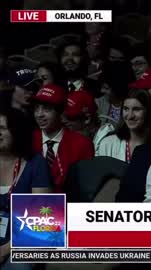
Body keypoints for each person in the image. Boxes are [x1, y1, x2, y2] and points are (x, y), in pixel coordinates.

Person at [0, 108, 52, 270]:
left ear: (17, 132)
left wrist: (4, 250)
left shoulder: (37, 164)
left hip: (24, 240)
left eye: (1, 129)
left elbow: (42, 222)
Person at [31, 84, 94, 192]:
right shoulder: (28, 140)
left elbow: (85, 188)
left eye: (46, 109)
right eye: (37, 108)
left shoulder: (82, 144)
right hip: (30, 205)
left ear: (61, 112)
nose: (39, 114)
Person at [97, 89, 151, 163]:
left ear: (148, 112)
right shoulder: (108, 144)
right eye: (126, 109)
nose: (130, 116)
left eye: (136, 109)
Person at [96, 61, 136, 126]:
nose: (102, 90)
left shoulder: (133, 107)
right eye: (102, 87)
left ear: (119, 89)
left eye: (106, 88)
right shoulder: (98, 103)